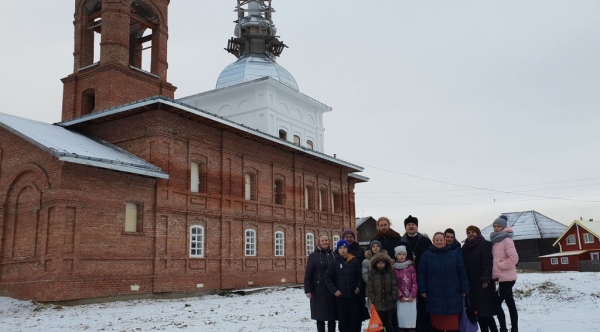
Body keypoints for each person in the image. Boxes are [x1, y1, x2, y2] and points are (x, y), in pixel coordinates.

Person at [418, 232, 469, 332]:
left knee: (453, 326)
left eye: (441, 240)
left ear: (445, 241)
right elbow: (421, 273)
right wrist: (422, 289)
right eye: (437, 240)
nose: (439, 242)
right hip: (434, 294)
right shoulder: (426, 255)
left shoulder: (454, 255)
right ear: (433, 241)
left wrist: (464, 289)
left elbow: (462, 273)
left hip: (453, 294)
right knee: (438, 327)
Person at [398, 215, 433, 332]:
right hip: (406, 281)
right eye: (408, 225)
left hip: (423, 276)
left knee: (422, 306)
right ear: (405, 227)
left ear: (417, 227)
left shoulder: (425, 240)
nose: (411, 226)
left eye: (413, 224)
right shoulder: (401, 241)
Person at [462, 225, 498, 332]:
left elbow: (487, 262)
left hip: (483, 284)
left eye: (473, 232)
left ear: (478, 233)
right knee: (478, 312)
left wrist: (486, 279)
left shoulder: (484, 244)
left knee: (486, 313)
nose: (471, 234)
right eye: (468, 232)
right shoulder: (465, 247)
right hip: (472, 283)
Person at [326, 240, 364, 332]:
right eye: (341, 248)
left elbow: (359, 276)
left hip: (353, 296)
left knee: (354, 320)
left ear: (347, 249)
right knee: (343, 321)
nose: (343, 250)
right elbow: (328, 278)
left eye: (344, 248)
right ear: (338, 250)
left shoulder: (354, 261)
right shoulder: (334, 262)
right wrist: (334, 290)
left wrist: (358, 286)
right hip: (341, 297)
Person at [490, 215, 519, 332]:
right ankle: (514, 328)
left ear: (503, 227)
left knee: (496, 303)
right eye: (494, 226)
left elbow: (514, 259)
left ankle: (503, 328)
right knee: (510, 302)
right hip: (502, 278)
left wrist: (500, 266)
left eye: (498, 226)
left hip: (507, 278)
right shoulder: (497, 241)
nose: (496, 228)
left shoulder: (507, 240)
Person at [304, 235, 337, 332]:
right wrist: (308, 290)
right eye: (322, 240)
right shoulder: (313, 256)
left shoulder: (334, 255)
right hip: (318, 290)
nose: (325, 242)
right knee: (320, 316)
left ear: (329, 241)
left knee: (332, 316)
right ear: (319, 242)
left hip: (332, 289)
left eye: (326, 240)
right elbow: (308, 274)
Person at [367, 252, 398, 332]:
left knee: (389, 325)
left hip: (389, 303)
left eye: (383, 262)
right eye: (379, 263)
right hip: (378, 304)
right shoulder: (372, 274)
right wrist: (373, 299)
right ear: (375, 263)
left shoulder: (390, 273)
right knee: (379, 325)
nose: (381, 264)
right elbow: (369, 288)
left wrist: (393, 297)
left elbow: (394, 285)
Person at [393, 245, 418, 332]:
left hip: (411, 298)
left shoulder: (411, 267)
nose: (402, 256)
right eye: (399, 254)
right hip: (401, 299)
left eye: (403, 254)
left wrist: (412, 294)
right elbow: (394, 284)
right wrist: (400, 296)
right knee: (402, 321)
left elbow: (414, 282)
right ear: (396, 255)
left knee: (411, 322)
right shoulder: (394, 268)